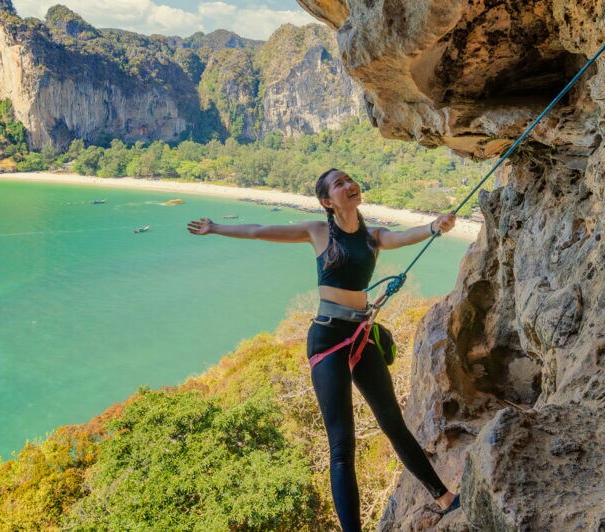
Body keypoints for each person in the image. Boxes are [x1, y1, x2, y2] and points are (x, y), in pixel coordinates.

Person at [187, 168, 460, 530]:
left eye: (350, 179)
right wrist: (215, 227)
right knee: (342, 445)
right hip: (328, 339)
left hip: (361, 336)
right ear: (327, 201)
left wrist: (434, 226)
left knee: (394, 424)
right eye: (339, 184)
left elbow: (407, 235)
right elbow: (258, 231)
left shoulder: (373, 237)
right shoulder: (318, 232)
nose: (350, 185)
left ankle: (444, 498)